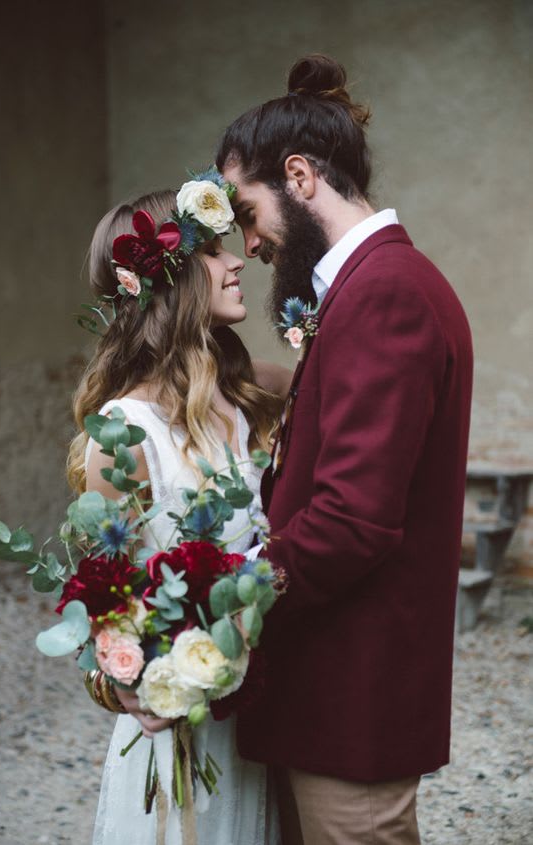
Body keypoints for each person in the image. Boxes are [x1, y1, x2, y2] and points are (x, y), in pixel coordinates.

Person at [215, 53, 474, 844]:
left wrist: (226, 600)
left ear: (299, 176)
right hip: (333, 688)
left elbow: (354, 519)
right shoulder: (369, 286)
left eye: (247, 210)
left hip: (355, 696)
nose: (249, 242)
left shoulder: (384, 291)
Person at [67, 186, 291, 844]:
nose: (236, 263)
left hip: (259, 719)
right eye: (216, 252)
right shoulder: (124, 433)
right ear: (170, 281)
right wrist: (129, 679)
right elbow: (102, 603)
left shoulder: (261, 393)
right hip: (178, 734)